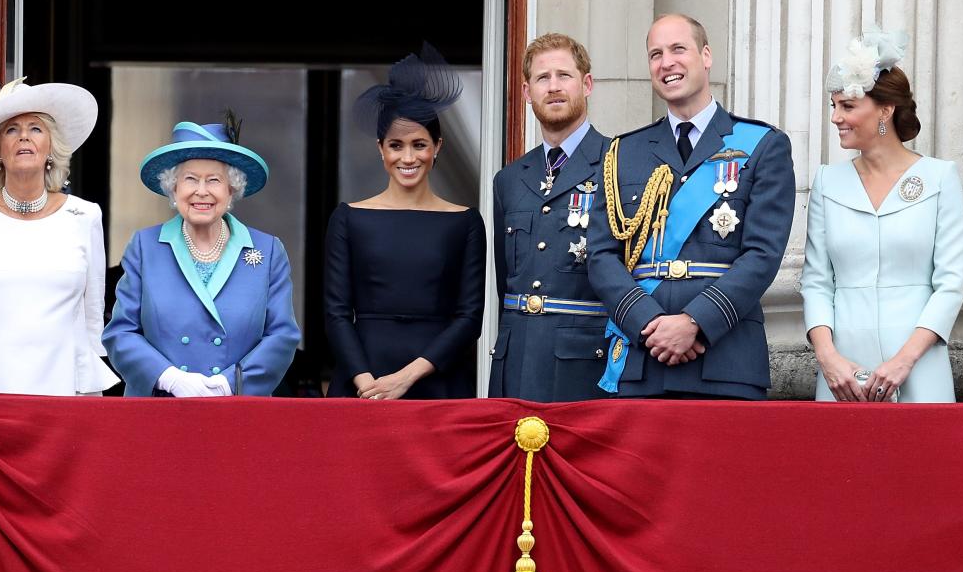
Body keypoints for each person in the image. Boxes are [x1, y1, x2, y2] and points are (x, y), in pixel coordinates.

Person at [586, 14, 794, 399]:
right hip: (642, 356)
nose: (667, 63)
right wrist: (647, 322)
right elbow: (600, 255)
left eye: (678, 49)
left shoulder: (763, 144)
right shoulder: (623, 152)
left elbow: (762, 254)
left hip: (726, 358)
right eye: (655, 54)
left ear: (706, 55)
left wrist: (695, 321)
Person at [801, 29, 963, 402]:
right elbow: (816, 282)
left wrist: (904, 362)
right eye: (834, 105)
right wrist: (828, 359)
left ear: (885, 110)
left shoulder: (939, 178)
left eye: (847, 106)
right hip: (842, 374)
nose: (835, 117)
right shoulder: (828, 182)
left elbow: (950, 283)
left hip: (918, 369)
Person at [0, 78, 118, 396]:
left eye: (35, 128)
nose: (23, 137)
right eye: (11, 129)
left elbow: (92, 321)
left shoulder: (86, 216)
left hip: (65, 388)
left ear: (51, 147)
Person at [324, 47, 486, 399]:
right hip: (362, 381)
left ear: (437, 147)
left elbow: (469, 318)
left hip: (438, 380)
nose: (408, 157)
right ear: (381, 148)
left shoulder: (466, 222)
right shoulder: (348, 218)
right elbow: (336, 313)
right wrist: (368, 384)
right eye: (396, 145)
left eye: (419, 144)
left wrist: (406, 378)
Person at [103, 119, 300, 397]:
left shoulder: (267, 251)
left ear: (232, 189)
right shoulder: (145, 247)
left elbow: (282, 337)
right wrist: (169, 378)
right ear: (173, 188)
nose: (202, 191)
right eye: (190, 179)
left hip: (237, 410)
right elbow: (120, 333)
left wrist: (229, 382)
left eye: (214, 180)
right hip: (159, 409)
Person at [489, 33, 611, 402]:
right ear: (527, 92)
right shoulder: (509, 179)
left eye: (564, 76)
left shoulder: (618, 164)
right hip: (516, 362)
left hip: (585, 366)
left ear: (586, 84)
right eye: (543, 78)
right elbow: (504, 284)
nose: (553, 87)